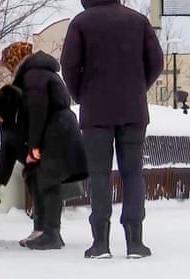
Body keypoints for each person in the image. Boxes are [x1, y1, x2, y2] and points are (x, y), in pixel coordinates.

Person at [60, 0, 164, 259]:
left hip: (96, 112)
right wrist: (138, 88)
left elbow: (69, 67)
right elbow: (156, 62)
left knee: (98, 174)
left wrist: (82, 94)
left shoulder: (82, 23)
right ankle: (136, 242)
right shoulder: (137, 21)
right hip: (133, 110)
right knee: (132, 173)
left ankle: (100, 243)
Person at [0, 42, 89, 250]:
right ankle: (42, 229)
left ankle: (50, 233)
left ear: (15, 61)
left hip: (56, 131)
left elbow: (38, 110)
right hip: (52, 130)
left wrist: (33, 146)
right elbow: (10, 144)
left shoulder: (35, 75)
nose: (9, 70)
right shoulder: (32, 76)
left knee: (48, 179)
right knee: (35, 175)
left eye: (9, 65)